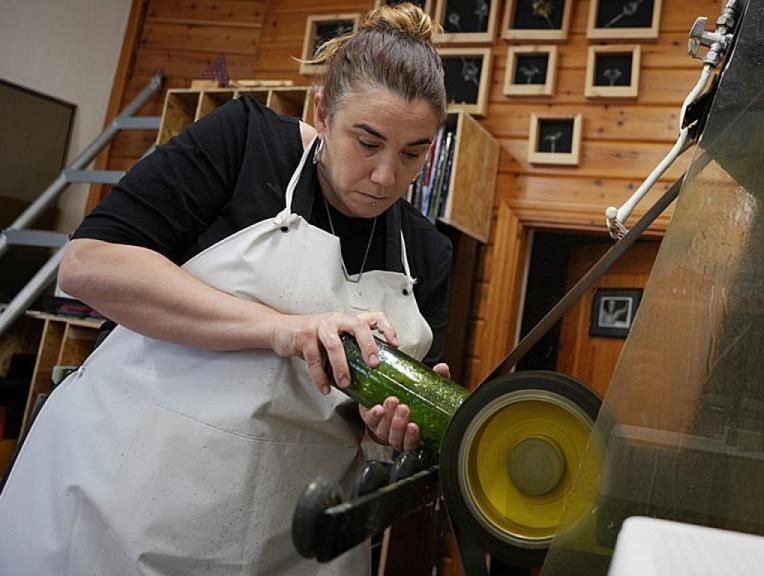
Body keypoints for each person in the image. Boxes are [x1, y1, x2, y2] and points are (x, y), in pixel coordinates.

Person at [0, 4, 452, 575]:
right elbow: (89, 265)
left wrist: (388, 429)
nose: (387, 176)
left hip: (285, 545)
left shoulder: (428, 255)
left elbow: (382, 440)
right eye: (367, 142)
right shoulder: (244, 142)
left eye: (413, 153)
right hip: (119, 498)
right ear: (321, 111)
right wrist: (282, 329)